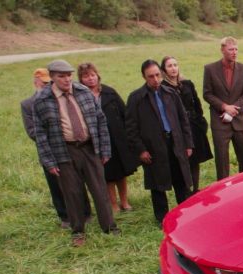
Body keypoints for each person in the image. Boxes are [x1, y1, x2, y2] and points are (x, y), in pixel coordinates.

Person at [31, 59, 119, 247]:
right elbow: (40, 134)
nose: (67, 79)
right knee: (72, 193)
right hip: (64, 151)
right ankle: (78, 231)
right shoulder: (42, 100)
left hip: (89, 147)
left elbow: (100, 120)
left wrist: (104, 149)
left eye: (69, 75)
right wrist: (49, 162)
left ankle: (109, 226)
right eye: (61, 76)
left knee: (99, 189)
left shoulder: (83, 92)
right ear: (53, 77)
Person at [125, 60, 194, 227]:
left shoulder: (170, 93)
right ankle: (162, 218)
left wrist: (188, 143)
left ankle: (186, 213)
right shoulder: (136, 98)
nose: (155, 80)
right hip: (153, 147)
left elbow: (183, 120)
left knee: (181, 180)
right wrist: (141, 150)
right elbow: (130, 127)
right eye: (151, 77)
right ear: (144, 77)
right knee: (158, 183)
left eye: (157, 75)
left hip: (175, 143)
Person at [21, 68, 90, 228]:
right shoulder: (28, 104)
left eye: (49, 83)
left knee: (77, 183)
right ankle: (65, 217)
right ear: (36, 82)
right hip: (50, 151)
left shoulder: (61, 98)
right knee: (56, 185)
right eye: (44, 83)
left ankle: (86, 213)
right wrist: (54, 138)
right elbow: (33, 131)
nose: (47, 86)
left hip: (70, 149)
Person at [77, 62, 139, 213]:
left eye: (92, 75)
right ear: (81, 79)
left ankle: (124, 201)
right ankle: (113, 203)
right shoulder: (80, 96)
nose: (90, 79)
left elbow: (125, 113)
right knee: (108, 174)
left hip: (117, 139)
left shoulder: (109, 92)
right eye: (86, 76)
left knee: (122, 172)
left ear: (97, 75)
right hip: (97, 141)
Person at [161, 55, 213, 193]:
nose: (173, 68)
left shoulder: (187, 84)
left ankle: (195, 189)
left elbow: (197, 104)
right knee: (182, 160)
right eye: (169, 66)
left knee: (195, 159)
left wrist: (200, 122)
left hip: (193, 125)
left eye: (175, 65)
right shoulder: (163, 88)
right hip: (176, 128)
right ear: (164, 70)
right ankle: (185, 190)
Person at [203, 36, 243, 180]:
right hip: (220, 122)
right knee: (222, 161)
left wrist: (234, 108)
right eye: (231, 49)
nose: (234, 52)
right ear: (222, 50)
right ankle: (223, 190)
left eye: (236, 49)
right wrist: (224, 107)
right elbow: (207, 94)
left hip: (239, 120)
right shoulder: (210, 69)